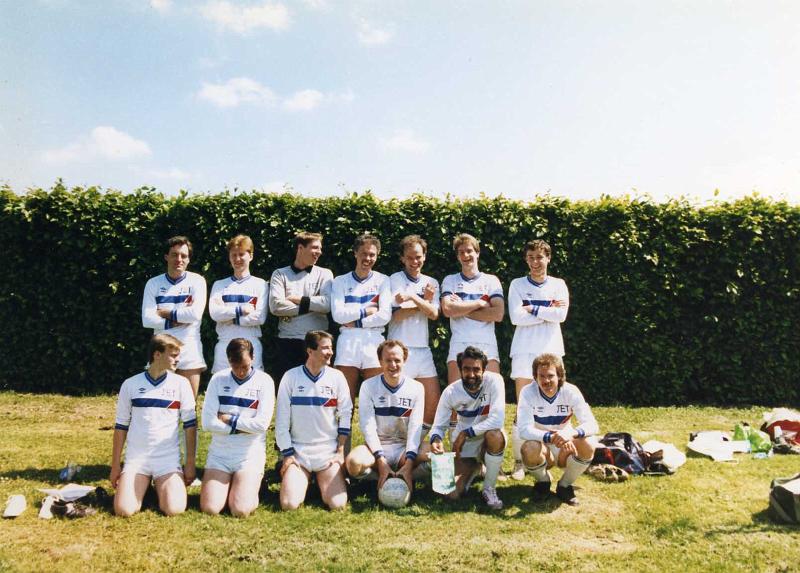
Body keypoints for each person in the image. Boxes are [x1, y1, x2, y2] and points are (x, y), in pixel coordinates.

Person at [110, 334, 197, 517]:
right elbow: (120, 427)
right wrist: (115, 465)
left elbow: (190, 426)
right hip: (137, 459)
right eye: (173, 355)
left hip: (167, 459)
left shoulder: (182, 384)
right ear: (157, 355)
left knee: (174, 509)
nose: (178, 359)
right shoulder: (130, 384)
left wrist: (189, 463)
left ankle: (157, 488)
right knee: (124, 510)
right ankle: (145, 488)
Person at [508, 239, 569, 480]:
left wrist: (531, 307)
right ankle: (519, 462)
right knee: (523, 408)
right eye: (531, 257)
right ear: (526, 260)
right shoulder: (517, 284)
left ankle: (555, 455)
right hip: (524, 351)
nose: (536, 262)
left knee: (554, 406)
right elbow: (515, 317)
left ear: (548, 259)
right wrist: (547, 312)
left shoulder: (559, 284)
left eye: (540, 257)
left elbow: (561, 315)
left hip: (553, 351)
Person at [275, 330, 352, 511]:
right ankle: (305, 479)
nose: (330, 352)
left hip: (327, 452)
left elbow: (346, 415)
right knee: (289, 504)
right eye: (325, 348)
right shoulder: (291, 377)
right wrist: (288, 455)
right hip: (298, 452)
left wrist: (340, 451)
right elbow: (281, 422)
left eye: (331, 348)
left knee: (338, 504)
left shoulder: (337, 377)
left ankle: (320, 480)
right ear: (310, 351)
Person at [200, 338, 275, 517]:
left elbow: (261, 425)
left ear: (253, 358)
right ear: (228, 361)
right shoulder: (218, 379)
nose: (241, 372)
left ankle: (251, 484)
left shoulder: (265, 381)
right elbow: (208, 422)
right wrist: (241, 428)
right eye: (236, 367)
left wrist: (229, 420)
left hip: (249, 455)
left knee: (240, 510)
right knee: (210, 508)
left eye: (245, 366)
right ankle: (233, 485)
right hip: (220, 455)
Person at [429, 346, 506, 510]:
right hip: (464, 446)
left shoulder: (495, 380)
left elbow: (497, 420)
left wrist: (466, 432)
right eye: (466, 369)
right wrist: (436, 439)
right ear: (460, 369)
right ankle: (475, 466)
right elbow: (438, 425)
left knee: (495, 435)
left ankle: (489, 489)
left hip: (486, 437)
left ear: (484, 369)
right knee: (451, 494)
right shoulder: (450, 392)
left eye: (476, 369)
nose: (471, 375)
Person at [345, 339, 427, 492]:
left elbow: (415, 427)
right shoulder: (368, 386)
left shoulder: (416, 388)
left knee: (438, 458)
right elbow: (367, 426)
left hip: (404, 447)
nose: (393, 365)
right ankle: (385, 476)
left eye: (397, 360)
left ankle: (405, 474)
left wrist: (409, 462)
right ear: (380, 361)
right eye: (388, 360)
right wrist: (380, 460)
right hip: (377, 447)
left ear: (405, 360)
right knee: (353, 463)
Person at [517, 353, 597, 506]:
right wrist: (551, 437)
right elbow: (524, 430)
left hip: (566, 445)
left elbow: (592, 424)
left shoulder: (571, 391)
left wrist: (569, 434)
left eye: (550, 376)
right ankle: (543, 482)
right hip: (543, 445)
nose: (546, 380)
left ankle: (565, 486)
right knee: (529, 448)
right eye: (541, 376)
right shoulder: (528, 392)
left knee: (589, 445)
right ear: (535, 377)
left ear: (560, 376)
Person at [387, 235, 441, 438]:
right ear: (402, 258)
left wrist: (412, 298)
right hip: (400, 349)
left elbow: (434, 314)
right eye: (409, 257)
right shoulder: (393, 280)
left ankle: (414, 442)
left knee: (432, 404)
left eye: (418, 257)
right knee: (400, 404)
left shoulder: (431, 282)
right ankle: (396, 444)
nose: (414, 261)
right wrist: (423, 302)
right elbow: (397, 315)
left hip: (423, 349)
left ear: (424, 257)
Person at [142, 236, 207, 396]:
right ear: (166, 257)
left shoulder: (197, 281)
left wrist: (165, 313)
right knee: (159, 403)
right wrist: (175, 322)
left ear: (189, 259)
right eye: (174, 255)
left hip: (190, 347)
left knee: (189, 406)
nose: (179, 259)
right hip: (161, 348)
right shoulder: (153, 283)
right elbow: (147, 319)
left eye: (183, 256)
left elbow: (195, 314)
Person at [330, 234, 392, 399]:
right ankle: (343, 426)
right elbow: (338, 315)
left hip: (374, 341)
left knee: (376, 398)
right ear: (355, 253)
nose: (368, 258)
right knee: (343, 398)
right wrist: (366, 311)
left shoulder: (383, 280)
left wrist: (355, 321)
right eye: (364, 253)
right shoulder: (340, 281)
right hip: (348, 343)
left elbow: (385, 316)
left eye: (372, 254)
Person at [269, 232, 333, 384]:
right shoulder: (279, 274)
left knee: (316, 389)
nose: (319, 252)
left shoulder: (325, 274)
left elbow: (327, 304)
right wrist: (313, 305)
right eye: (315, 248)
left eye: (320, 248)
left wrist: (298, 300)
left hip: (317, 342)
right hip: (288, 342)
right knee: (287, 390)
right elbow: (276, 306)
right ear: (300, 248)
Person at [440, 234, 504, 384]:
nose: (466, 255)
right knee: (457, 399)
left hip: (487, 345)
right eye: (461, 252)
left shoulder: (491, 281)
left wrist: (461, 307)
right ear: (457, 256)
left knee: (490, 398)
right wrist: (480, 303)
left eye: (469, 251)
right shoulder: (450, 280)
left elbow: (498, 314)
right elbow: (448, 310)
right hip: (459, 344)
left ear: (477, 253)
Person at [208, 235, 269, 373]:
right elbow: (215, 313)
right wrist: (241, 310)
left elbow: (259, 317)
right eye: (233, 255)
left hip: (251, 343)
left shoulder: (261, 284)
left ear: (251, 256)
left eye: (241, 254)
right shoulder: (219, 285)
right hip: (224, 344)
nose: (237, 259)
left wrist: (228, 316)